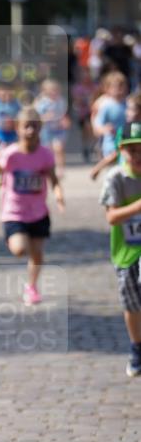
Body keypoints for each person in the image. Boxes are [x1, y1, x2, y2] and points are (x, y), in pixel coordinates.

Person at [0, 107, 65, 306]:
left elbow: (53, 179)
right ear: (18, 128)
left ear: (40, 128)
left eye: (34, 126)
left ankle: (31, 287)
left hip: (38, 212)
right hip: (14, 212)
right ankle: (13, 239)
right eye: (26, 126)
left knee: (37, 254)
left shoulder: (45, 155)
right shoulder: (10, 154)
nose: (31, 131)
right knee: (19, 249)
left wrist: (59, 196)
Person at [99, 122, 141, 377]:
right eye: (131, 150)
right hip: (125, 253)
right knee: (132, 305)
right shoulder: (116, 177)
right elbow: (112, 217)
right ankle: (137, 347)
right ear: (121, 151)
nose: (137, 156)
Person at [90, 94, 141, 181]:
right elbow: (117, 152)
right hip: (127, 173)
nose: (127, 112)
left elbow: (116, 153)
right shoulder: (124, 129)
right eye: (127, 108)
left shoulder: (132, 129)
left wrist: (98, 168)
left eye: (131, 109)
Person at [35, 79, 70, 178]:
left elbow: (64, 114)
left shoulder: (61, 101)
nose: (54, 92)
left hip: (58, 130)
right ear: (45, 91)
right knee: (47, 150)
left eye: (56, 90)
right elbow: (37, 117)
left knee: (59, 148)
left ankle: (60, 169)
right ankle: (47, 168)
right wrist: (45, 117)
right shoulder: (42, 103)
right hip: (46, 131)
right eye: (51, 90)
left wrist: (65, 120)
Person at [92, 71, 128, 161]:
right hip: (110, 143)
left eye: (121, 86)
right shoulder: (105, 105)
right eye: (115, 87)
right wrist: (103, 129)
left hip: (126, 142)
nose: (119, 90)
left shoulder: (128, 104)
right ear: (107, 89)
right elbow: (97, 124)